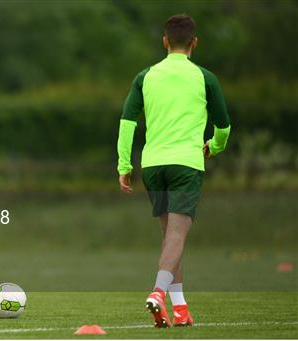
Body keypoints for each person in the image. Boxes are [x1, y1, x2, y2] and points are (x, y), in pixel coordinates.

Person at [116, 14, 231, 328]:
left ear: (165, 42)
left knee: (170, 238)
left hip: (153, 165)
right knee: (178, 236)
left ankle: (180, 310)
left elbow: (127, 122)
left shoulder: (146, 75)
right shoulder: (205, 77)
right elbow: (223, 126)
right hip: (185, 164)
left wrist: (124, 164)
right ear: (194, 43)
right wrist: (215, 146)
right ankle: (158, 292)